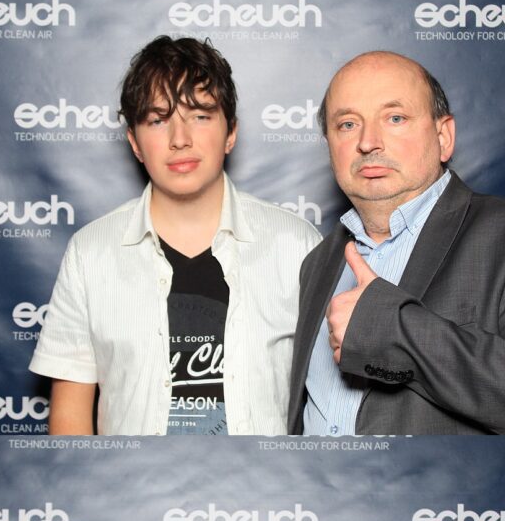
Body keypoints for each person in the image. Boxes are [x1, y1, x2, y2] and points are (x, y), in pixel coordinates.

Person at [288, 51, 505, 435]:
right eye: (347, 124)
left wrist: (394, 328)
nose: (368, 142)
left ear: (443, 137)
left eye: (395, 118)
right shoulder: (319, 261)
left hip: (437, 495)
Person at [29, 35, 320, 436]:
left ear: (230, 132)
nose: (180, 138)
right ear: (134, 141)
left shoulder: (296, 244)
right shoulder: (90, 251)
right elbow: (71, 413)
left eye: (200, 115)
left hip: (266, 492)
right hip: (131, 491)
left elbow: (330, 400)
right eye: (158, 119)